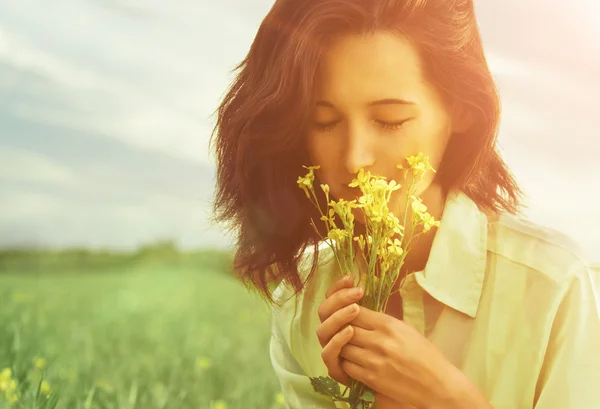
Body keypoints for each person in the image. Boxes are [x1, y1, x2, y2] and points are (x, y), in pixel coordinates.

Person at [209, 0, 600, 408]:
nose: (354, 158)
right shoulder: (301, 302)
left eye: (390, 120)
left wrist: (451, 401)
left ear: (461, 110)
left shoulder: (555, 287)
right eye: (324, 122)